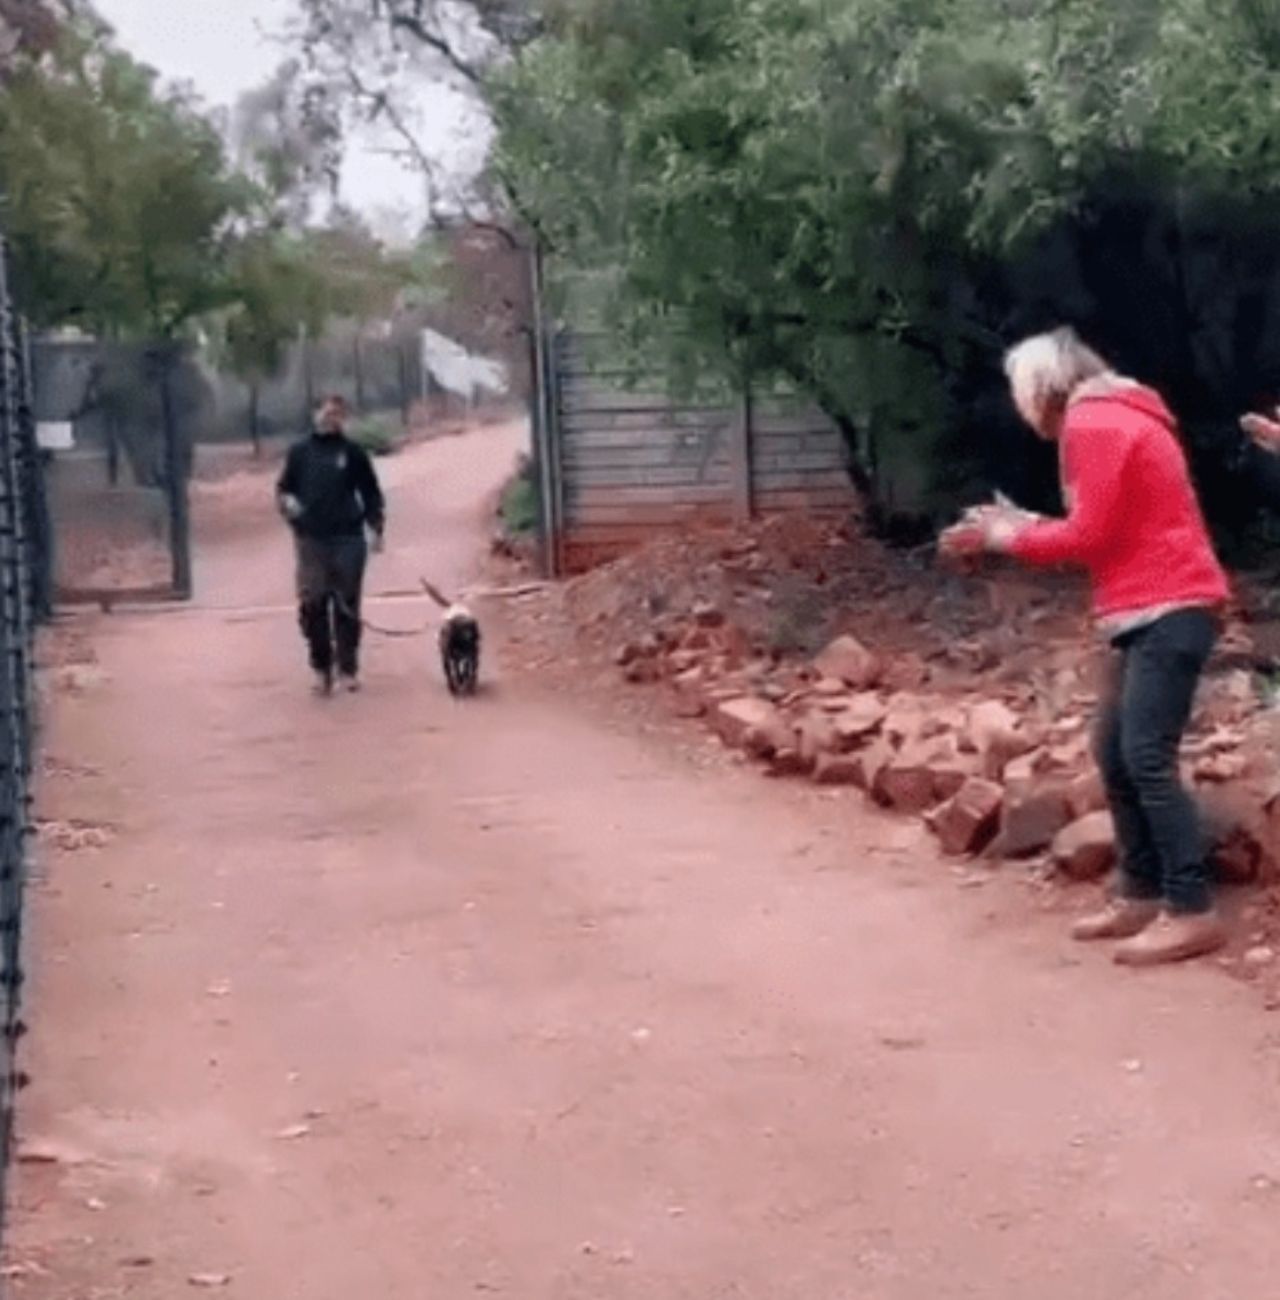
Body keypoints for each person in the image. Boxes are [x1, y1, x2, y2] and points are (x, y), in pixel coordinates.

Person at [942, 327, 1231, 966]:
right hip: (1154, 608)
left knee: (1144, 756)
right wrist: (1013, 527)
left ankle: (1191, 908)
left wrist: (1002, 536)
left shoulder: (1092, 424)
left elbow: (1088, 537)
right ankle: (1141, 888)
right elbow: (1098, 527)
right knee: (1117, 751)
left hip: (1168, 605)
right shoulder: (1117, 412)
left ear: (1038, 389)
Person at [277, 395, 386, 696]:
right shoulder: (299, 453)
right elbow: (284, 489)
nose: (331, 417)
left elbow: (371, 492)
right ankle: (321, 668)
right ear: (315, 415)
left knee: (347, 605)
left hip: (348, 537)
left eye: (337, 413)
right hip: (311, 540)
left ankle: (347, 669)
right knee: (313, 604)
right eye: (326, 412)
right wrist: (288, 504)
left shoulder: (353, 453)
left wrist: (376, 526)